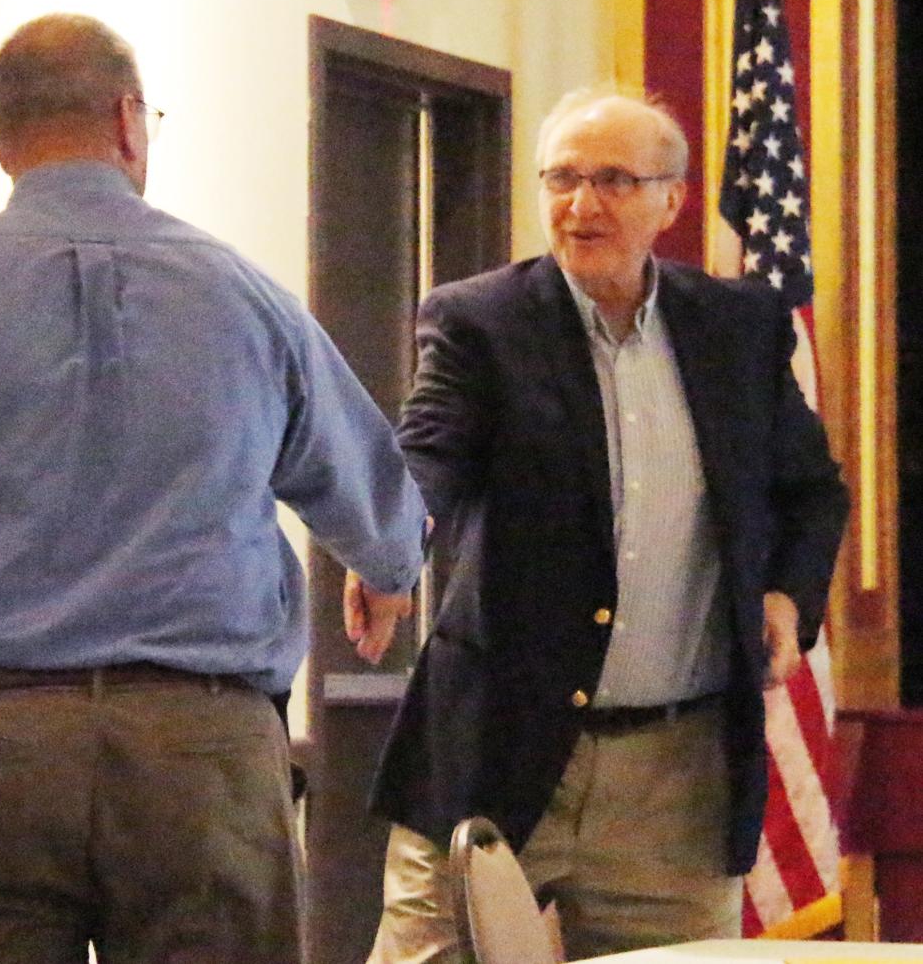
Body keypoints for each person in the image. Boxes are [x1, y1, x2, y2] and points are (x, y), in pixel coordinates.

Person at [0, 13, 427, 964]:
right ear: (130, 121)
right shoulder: (246, 297)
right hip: (204, 762)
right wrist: (385, 569)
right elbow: (375, 494)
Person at [356, 87, 849, 961]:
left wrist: (785, 598)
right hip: (496, 749)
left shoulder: (737, 327)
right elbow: (428, 455)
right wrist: (391, 551)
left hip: (676, 778)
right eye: (563, 178)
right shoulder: (482, 321)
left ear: (672, 199)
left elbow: (811, 492)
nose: (581, 205)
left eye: (614, 180)